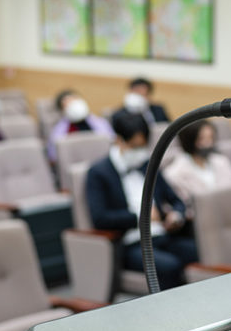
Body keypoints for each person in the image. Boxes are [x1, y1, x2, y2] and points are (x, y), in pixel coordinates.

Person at [85, 111, 198, 290]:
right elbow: (100, 219)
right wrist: (141, 216)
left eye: (143, 146)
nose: (140, 152)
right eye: (135, 146)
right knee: (169, 266)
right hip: (131, 243)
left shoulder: (147, 164)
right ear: (119, 140)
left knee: (199, 251)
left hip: (163, 235)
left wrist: (176, 215)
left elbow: (176, 200)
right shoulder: (99, 173)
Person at [163, 120, 231, 215]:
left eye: (211, 138)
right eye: (202, 139)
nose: (209, 143)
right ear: (189, 140)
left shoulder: (221, 161)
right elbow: (183, 208)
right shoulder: (174, 173)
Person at [49, 89, 114, 161]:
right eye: (68, 103)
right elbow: (54, 155)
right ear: (62, 109)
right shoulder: (58, 131)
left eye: (74, 100)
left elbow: (111, 141)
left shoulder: (100, 122)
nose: (73, 104)